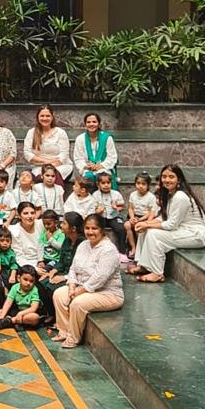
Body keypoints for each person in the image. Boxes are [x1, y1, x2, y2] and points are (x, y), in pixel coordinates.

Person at [51, 213, 123, 347]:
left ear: (102, 229)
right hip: (82, 287)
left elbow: (100, 278)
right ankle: (64, 331)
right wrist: (72, 285)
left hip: (107, 293)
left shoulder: (109, 250)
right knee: (59, 294)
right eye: (87, 228)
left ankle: (73, 338)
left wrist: (78, 292)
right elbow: (73, 268)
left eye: (94, 228)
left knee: (77, 303)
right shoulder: (83, 244)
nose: (90, 232)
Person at [131, 164, 205, 283]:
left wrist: (148, 224)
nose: (167, 180)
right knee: (146, 229)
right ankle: (143, 265)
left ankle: (157, 273)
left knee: (154, 234)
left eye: (171, 177)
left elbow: (171, 225)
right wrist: (145, 223)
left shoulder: (180, 196)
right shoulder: (171, 194)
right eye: (164, 176)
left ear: (179, 179)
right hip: (182, 229)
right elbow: (163, 218)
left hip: (195, 235)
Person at [23, 104, 73, 181]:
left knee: (51, 175)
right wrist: (46, 162)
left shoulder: (60, 132)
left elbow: (64, 155)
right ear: (38, 117)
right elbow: (27, 153)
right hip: (39, 167)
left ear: (52, 117)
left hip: (60, 166)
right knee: (40, 177)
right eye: (42, 116)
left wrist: (51, 166)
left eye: (47, 116)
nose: (45, 118)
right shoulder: (31, 132)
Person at [72, 113, 118, 188]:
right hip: (87, 169)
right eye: (88, 122)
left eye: (94, 122)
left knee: (103, 178)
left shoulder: (107, 138)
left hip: (104, 168)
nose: (91, 124)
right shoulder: (80, 139)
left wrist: (100, 166)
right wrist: (86, 166)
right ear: (85, 124)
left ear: (99, 124)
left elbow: (112, 157)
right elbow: (78, 158)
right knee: (88, 177)